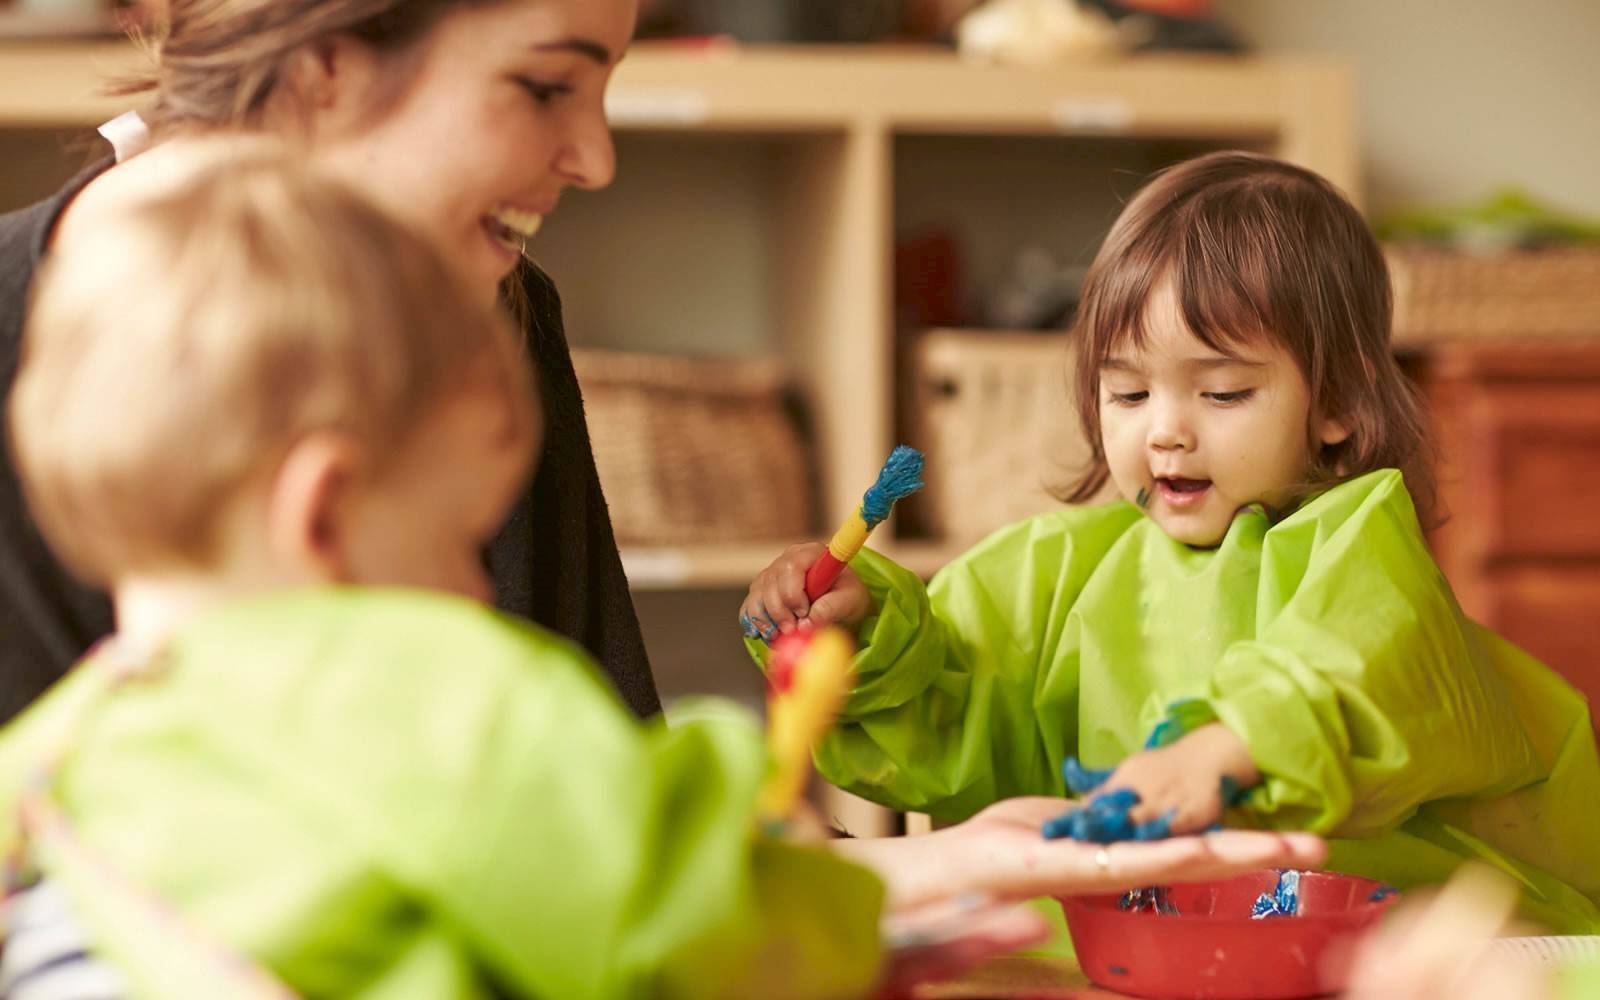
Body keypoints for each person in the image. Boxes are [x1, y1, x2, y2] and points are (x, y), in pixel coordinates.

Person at [0, 144, 1325, 1000]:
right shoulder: (437, 699)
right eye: (464, 534)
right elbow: (673, 900)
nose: (480, 585)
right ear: (325, 515)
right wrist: (843, 917)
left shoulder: (75, 735)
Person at [742, 150, 1600, 933]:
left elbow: (1362, 669)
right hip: (1147, 951)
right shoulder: (1058, 567)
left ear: (1337, 402)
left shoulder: (1357, 537)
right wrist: (863, 638)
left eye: (1223, 393)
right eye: (1127, 394)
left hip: (1380, 945)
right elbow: (954, 709)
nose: (1166, 434)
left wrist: (1228, 747)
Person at [0, 0, 659, 723]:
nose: (597, 161)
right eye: (545, 86)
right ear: (324, 66)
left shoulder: (490, 313)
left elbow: (611, 765)